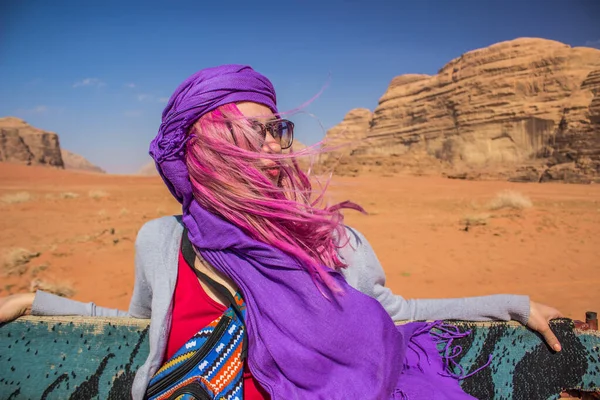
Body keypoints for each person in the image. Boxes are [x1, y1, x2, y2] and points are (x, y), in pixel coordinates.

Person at [0, 64, 563, 400]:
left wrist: (509, 306)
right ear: (210, 141)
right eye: (259, 129)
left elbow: (395, 312)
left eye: (280, 128)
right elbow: (146, 327)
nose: (277, 141)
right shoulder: (161, 241)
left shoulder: (330, 240)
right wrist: (34, 300)